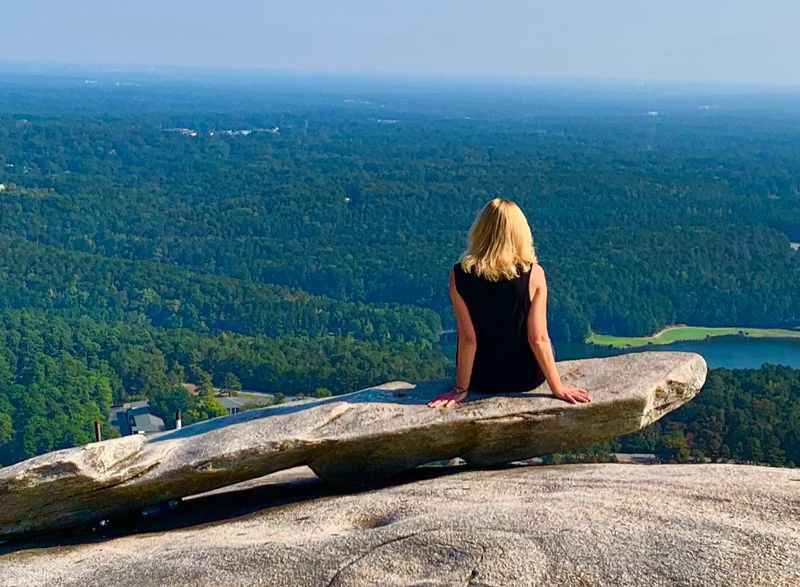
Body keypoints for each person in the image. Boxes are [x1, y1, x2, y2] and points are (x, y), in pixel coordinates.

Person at [427, 198, 591, 408]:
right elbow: (538, 338)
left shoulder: (459, 274)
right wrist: (557, 387)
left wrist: (460, 389)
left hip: (482, 380)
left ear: (481, 230)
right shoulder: (534, 274)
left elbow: (468, 339)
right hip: (526, 379)